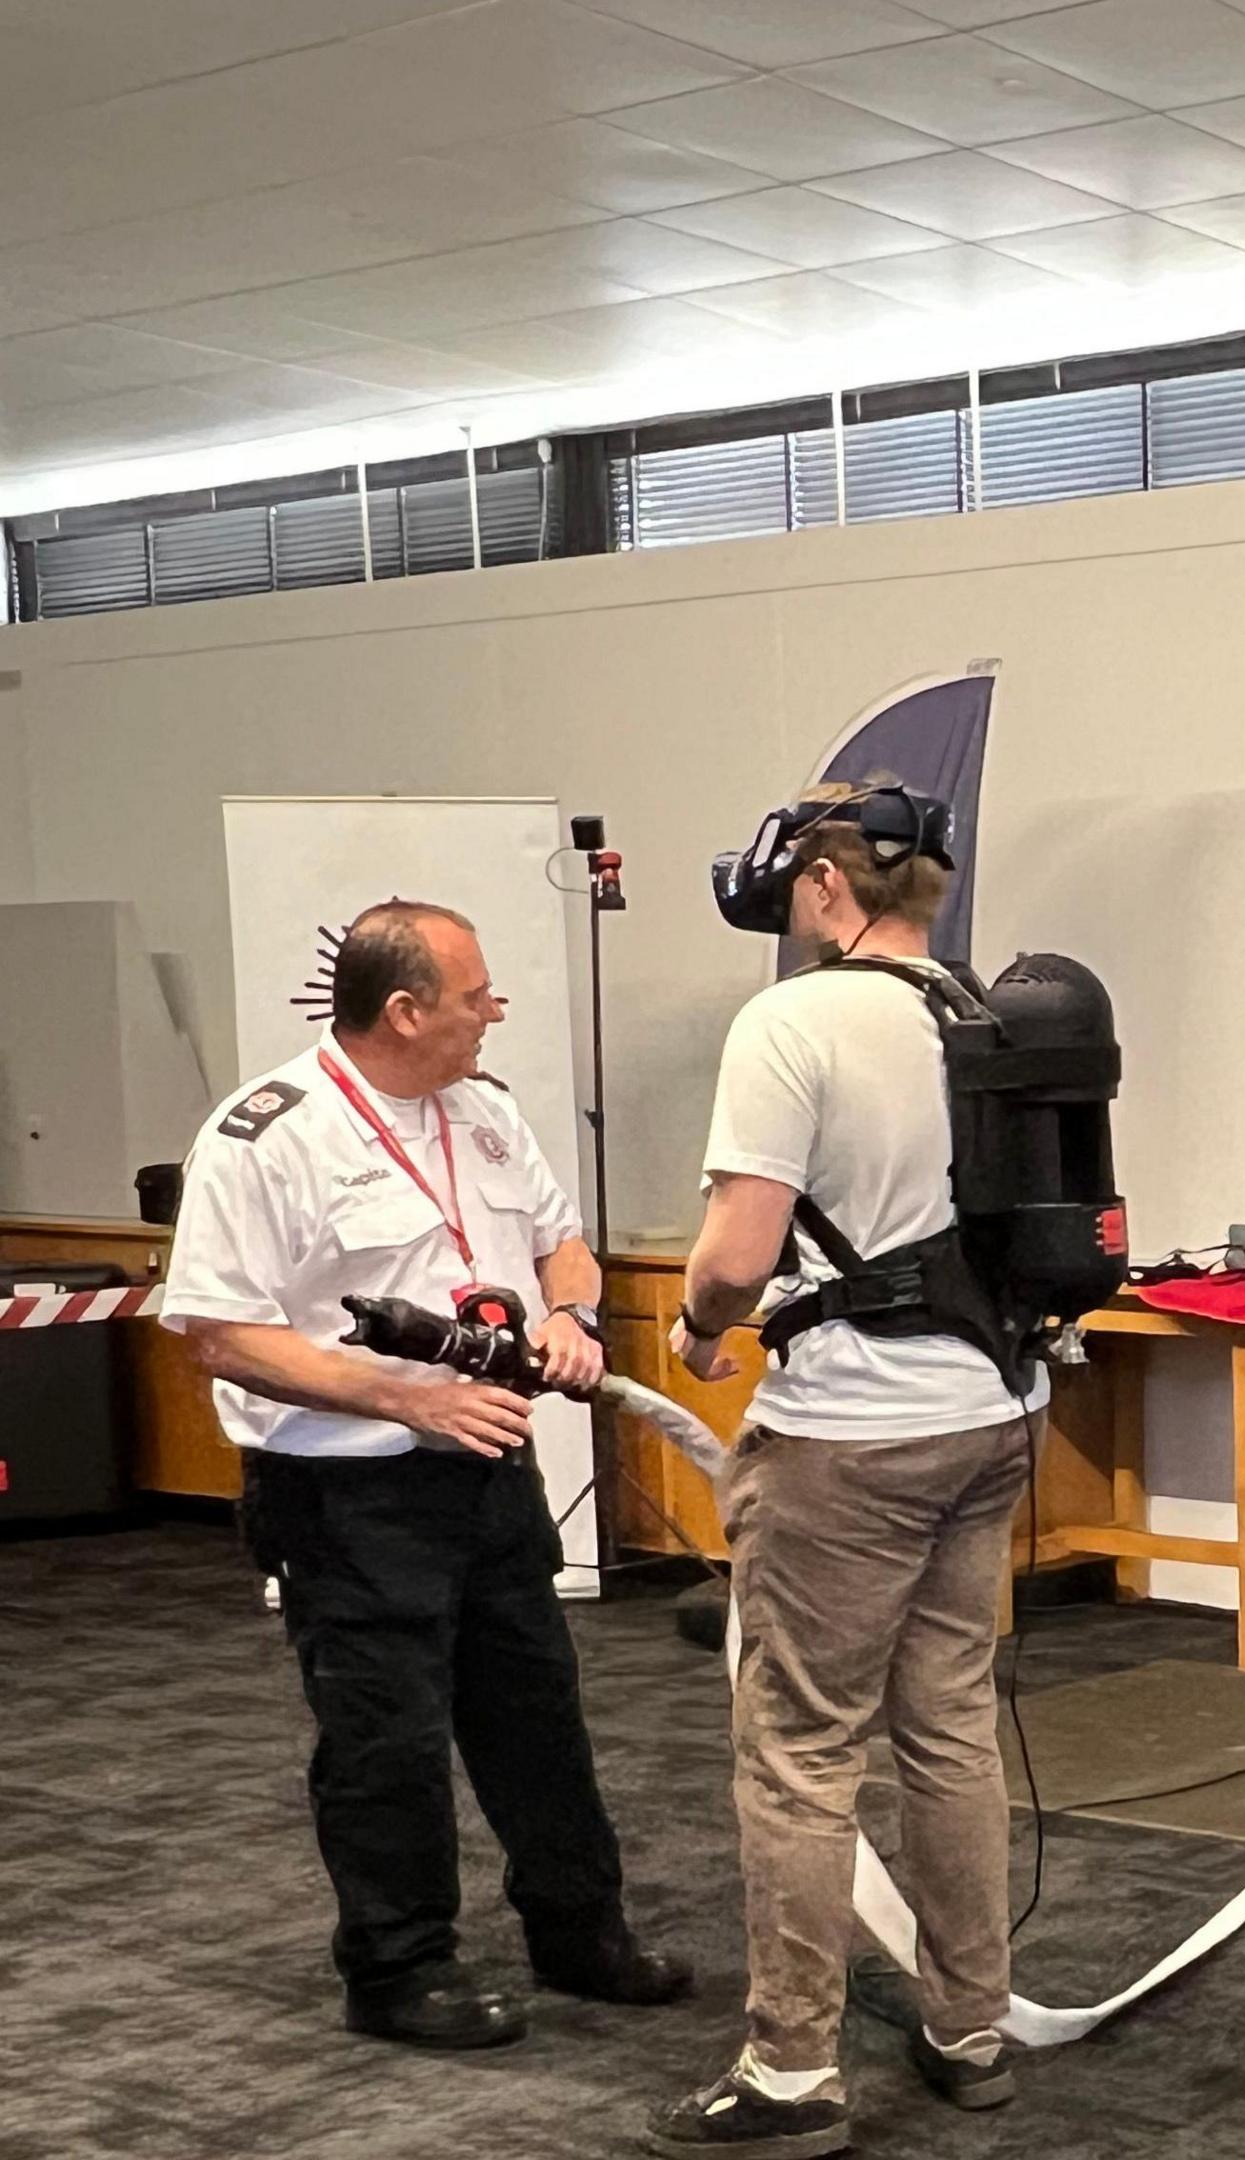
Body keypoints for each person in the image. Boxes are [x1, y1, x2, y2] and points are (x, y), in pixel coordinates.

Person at [160, 900, 689, 2050]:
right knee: (385, 1741)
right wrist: (407, 1394)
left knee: (535, 1714)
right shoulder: (265, 1136)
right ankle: (399, 1971)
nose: (494, 1011)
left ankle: (579, 1931)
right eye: (475, 996)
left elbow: (561, 1238)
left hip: (489, 1470)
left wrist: (571, 1310)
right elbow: (217, 1331)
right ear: (404, 1011)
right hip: (348, 1494)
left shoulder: (486, 1110)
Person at [648, 783, 1043, 2157]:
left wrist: (696, 1329)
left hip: (849, 1439)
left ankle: (792, 2070)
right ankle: (969, 2025)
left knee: (803, 1751)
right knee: (946, 1727)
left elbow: (738, 1258)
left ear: (824, 888)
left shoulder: (793, 1021)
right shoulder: (986, 1013)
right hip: (991, 1418)